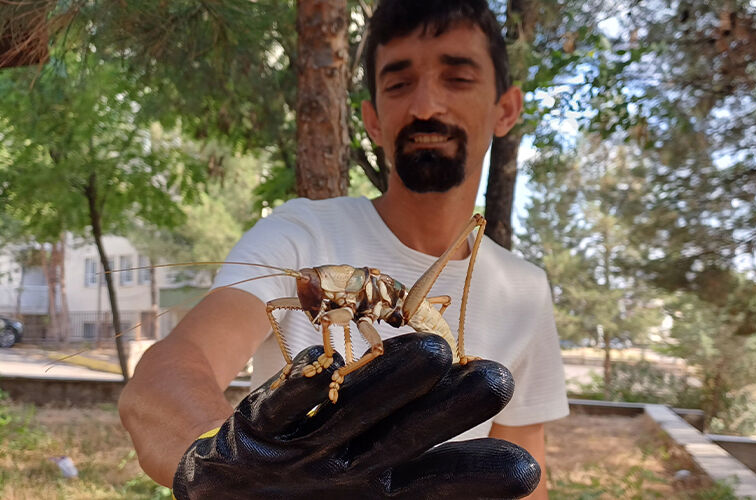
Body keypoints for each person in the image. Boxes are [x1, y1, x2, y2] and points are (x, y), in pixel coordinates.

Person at [119, 0, 568, 498]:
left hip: (413, 308)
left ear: (505, 109)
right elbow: (173, 367)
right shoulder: (298, 233)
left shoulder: (525, 289)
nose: (424, 106)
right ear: (372, 120)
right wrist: (226, 465)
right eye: (398, 83)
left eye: (457, 78)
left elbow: (524, 467)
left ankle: (456, 349)